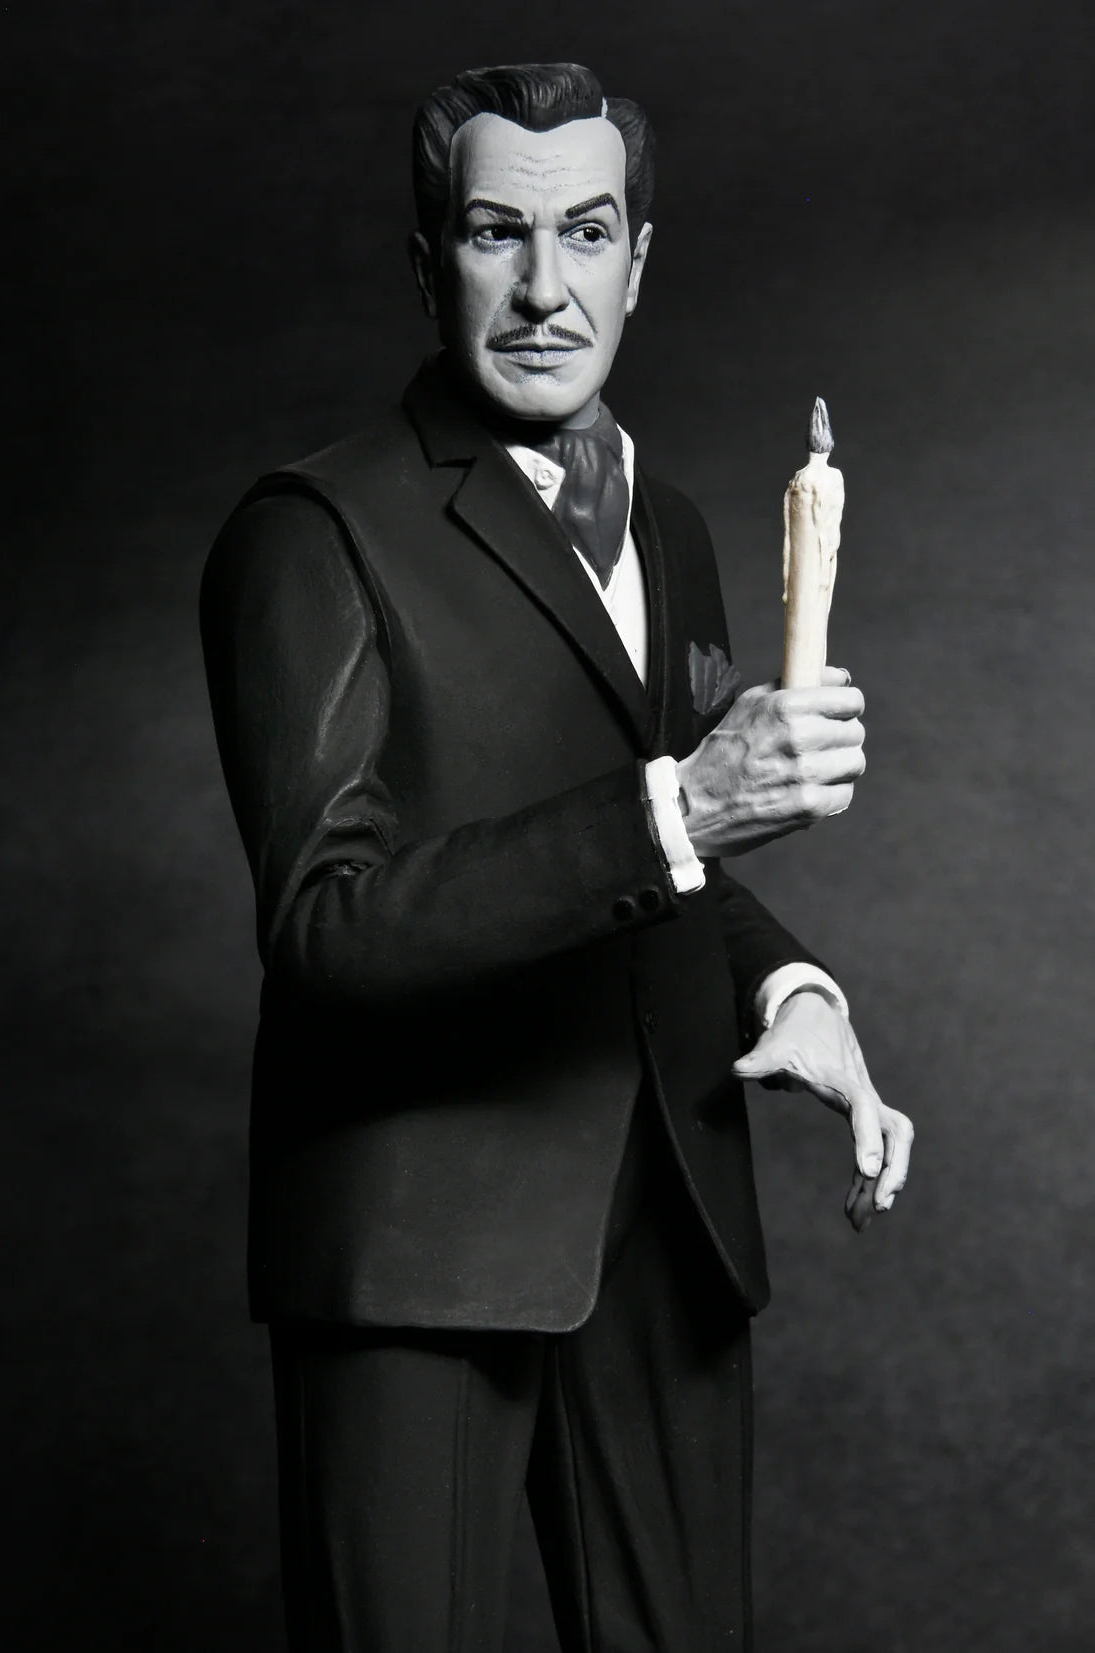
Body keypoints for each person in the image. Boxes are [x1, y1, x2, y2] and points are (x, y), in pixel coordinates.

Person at [200, 62, 913, 1653]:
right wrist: (685, 807)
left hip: (673, 1223)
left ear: (638, 261)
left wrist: (796, 988)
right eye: (495, 234)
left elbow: (674, 850)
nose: (543, 287)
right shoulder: (309, 533)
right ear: (428, 262)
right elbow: (326, 925)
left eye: (586, 233)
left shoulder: (675, 527)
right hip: (420, 1248)